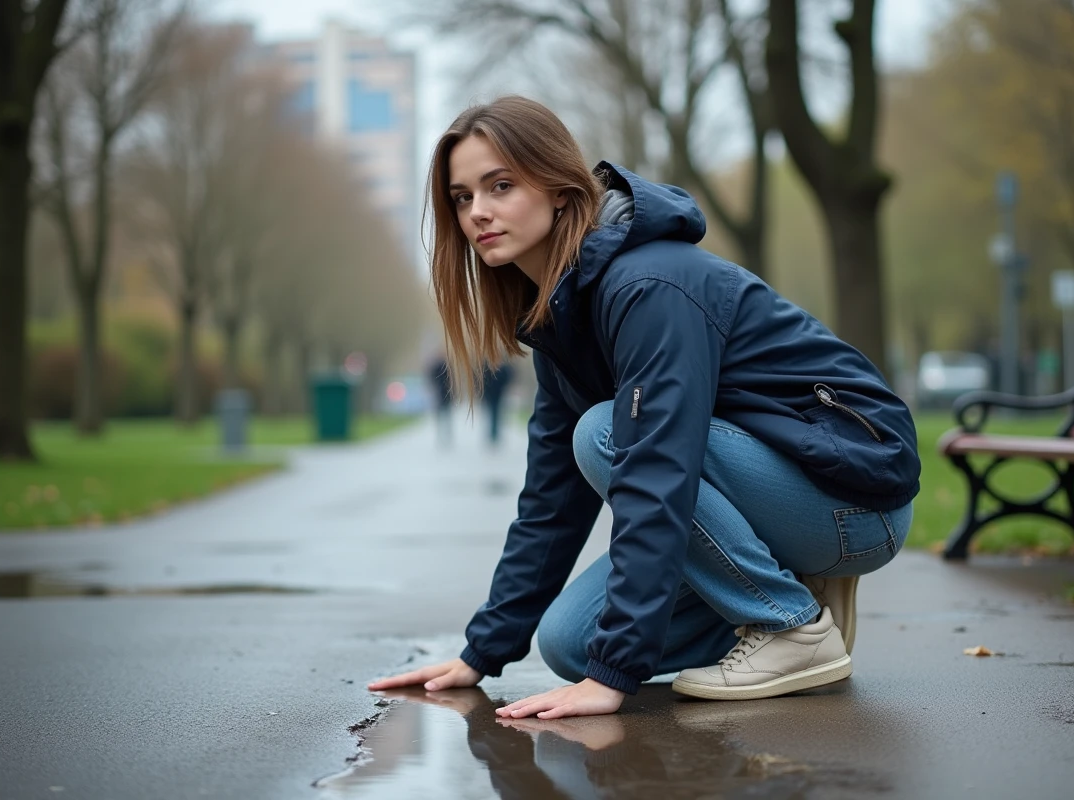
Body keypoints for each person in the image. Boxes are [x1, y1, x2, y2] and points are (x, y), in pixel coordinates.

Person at [369, 96, 920, 719]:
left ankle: (790, 627)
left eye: (500, 185)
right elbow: (551, 499)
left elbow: (656, 468)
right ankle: (796, 590)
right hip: (782, 501)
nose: (479, 212)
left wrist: (616, 677)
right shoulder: (560, 315)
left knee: (603, 434)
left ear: (558, 188)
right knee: (570, 644)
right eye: (462, 197)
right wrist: (481, 652)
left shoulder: (649, 285)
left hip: (852, 502)